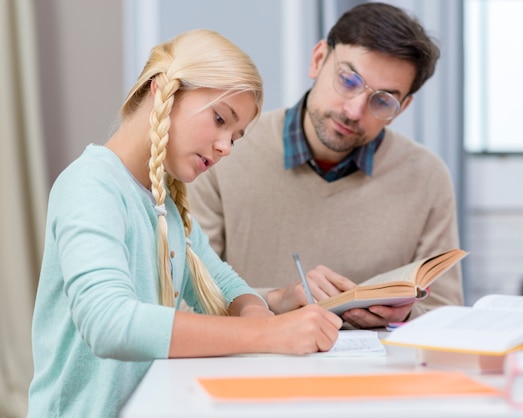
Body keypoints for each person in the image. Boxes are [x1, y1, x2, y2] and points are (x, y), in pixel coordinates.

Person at [27, 29, 342, 418]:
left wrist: (256, 313)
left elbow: (227, 285)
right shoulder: (91, 185)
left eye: (236, 137)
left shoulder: (166, 205)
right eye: (220, 119)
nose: (226, 146)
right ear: (163, 91)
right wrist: (268, 333)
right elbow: (108, 322)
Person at [187, 3, 463, 330]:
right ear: (318, 60)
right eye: (348, 80)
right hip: (251, 364)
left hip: (375, 373)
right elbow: (185, 296)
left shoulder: (426, 177)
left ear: (402, 108)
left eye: (383, 101)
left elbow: (447, 312)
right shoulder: (224, 150)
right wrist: (276, 299)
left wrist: (406, 314)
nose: (355, 110)